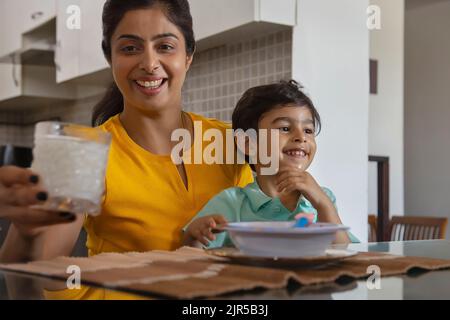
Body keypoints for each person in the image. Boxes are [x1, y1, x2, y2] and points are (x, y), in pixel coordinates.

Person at [0, 0, 253, 265]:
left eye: (165, 46)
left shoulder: (232, 143)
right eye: (130, 48)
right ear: (110, 57)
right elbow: (43, 272)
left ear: (188, 55)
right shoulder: (88, 156)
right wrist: (27, 230)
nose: (149, 63)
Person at [183, 80, 358, 248]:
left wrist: (323, 204)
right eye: (285, 128)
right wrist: (193, 236)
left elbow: (345, 252)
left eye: (308, 130)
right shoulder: (232, 203)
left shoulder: (321, 197)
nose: (301, 137)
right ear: (248, 143)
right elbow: (193, 256)